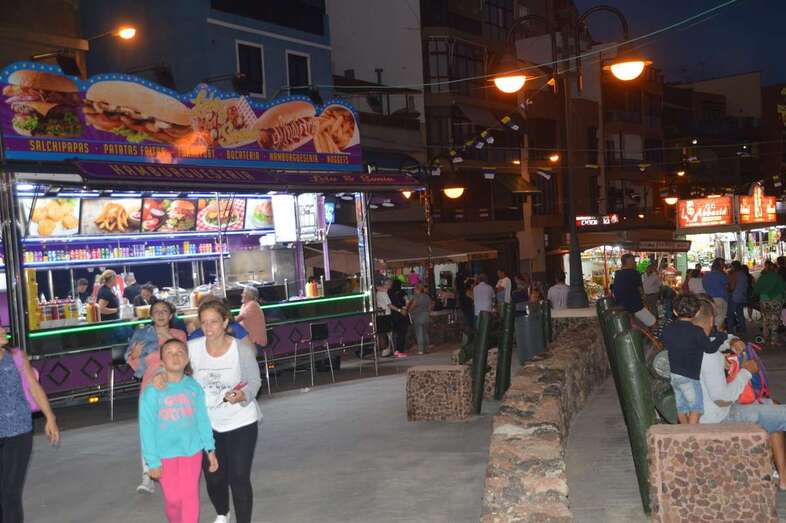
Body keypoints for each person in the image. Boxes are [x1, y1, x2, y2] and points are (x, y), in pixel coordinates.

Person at [156, 300, 261, 523]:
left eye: (214, 322)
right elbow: (172, 367)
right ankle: (222, 513)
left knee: (239, 477)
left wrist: (243, 395)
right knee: (214, 477)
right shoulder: (192, 349)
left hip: (241, 420)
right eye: (204, 323)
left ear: (225, 322)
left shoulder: (240, 348)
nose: (209, 328)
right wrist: (161, 376)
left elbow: (254, 382)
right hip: (205, 424)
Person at [140, 338, 218, 523]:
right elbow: (146, 428)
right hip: (164, 454)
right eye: (169, 353)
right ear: (162, 361)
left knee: (190, 496)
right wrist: (152, 462)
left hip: (191, 451)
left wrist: (210, 449)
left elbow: (202, 420)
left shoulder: (193, 387)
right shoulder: (152, 391)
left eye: (180, 352)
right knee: (173, 500)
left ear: (187, 359)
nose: (175, 356)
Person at [699, 332, 786, 489]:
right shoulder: (708, 353)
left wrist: (733, 340)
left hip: (717, 410)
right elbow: (723, 398)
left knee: (773, 405)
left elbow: (722, 339)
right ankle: (780, 476)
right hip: (722, 415)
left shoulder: (690, 342)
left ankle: (782, 477)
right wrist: (745, 372)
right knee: (778, 415)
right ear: (711, 320)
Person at [126, 298, 188, 493]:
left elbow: (185, 359)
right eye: (156, 312)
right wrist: (135, 355)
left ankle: (178, 469)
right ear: (151, 315)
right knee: (148, 431)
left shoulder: (178, 335)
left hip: (175, 386)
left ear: (170, 315)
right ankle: (147, 476)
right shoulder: (142, 335)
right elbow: (134, 365)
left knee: (176, 428)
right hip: (151, 387)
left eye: (164, 311)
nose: (160, 315)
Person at [0, 326, 59, 523]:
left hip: (19, 429)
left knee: (10, 492)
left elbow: (34, 386)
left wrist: (50, 417)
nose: (2, 330)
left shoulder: (16, 356)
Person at [662, 296, 728, 424]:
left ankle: (685, 433)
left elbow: (666, 341)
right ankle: (692, 435)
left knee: (681, 407)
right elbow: (710, 348)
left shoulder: (668, 329)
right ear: (697, 312)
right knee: (696, 408)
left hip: (675, 376)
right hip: (690, 377)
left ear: (675, 312)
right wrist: (721, 337)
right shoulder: (697, 332)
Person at [611, 254, 655, 327]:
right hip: (634, 305)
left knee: (637, 324)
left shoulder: (618, 274)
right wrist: (646, 303)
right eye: (634, 261)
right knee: (653, 322)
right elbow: (641, 291)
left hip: (622, 305)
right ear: (629, 262)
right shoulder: (634, 273)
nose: (635, 263)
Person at [754, 260, 786, 345]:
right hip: (776, 301)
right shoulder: (778, 277)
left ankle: (765, 338)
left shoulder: (762, 278)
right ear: (775, 269)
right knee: (775, 320)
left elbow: (756, 290)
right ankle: (773, 340)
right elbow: (783, 289)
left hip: (764, 300)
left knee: (765, 319)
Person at [702, 258, 729, 330]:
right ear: (720, 266)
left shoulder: (706, 275)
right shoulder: (721, 275)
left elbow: (704, 286)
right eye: (722, 265)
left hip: (709, 299)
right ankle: (716, 334)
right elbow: (727, 287)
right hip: (720, 299)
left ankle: (712, 333)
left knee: (712, 318)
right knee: (720, 318)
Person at [388, 279, 410, 358]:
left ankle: (395, 350)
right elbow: (407, 301)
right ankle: (400, 351)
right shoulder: (403, 292)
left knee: (395, 333)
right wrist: (405, 308)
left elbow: (389, 304)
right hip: (402, 314)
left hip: (393, 314)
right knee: (402, 333)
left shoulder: (389, 292)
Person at [409, 284, 432, 355]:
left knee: (419, 334)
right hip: (426, 316)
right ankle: (427, 349)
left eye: (415, 289)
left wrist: (409, 310)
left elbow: (413, 306)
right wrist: (428, 312)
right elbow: (430, 306)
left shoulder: (417, 297)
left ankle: (421, 350)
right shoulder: (427, 296)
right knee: (425, 333)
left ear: (418, 289)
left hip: (418, 316)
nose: (414, 291)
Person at [727, 261, 748, 336]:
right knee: (740, 314)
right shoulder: (743, 274)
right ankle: (743, 329)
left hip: (734, 297)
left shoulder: (734, 275)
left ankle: (730, 332)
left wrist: (727, 288)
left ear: (734, 267)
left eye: (731, 266)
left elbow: (732, 287)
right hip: (742, 297)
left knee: (730, 315)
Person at [375, 279, 394, 357]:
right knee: (387, 333)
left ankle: (384, 350)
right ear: (388, 284)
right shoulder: (384, 293)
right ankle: (386, 350)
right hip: (386, 314)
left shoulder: (378, 292)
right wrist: (399, 310)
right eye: (390, 284)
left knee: (382, 333)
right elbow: (389, 305)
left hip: (380, 314)